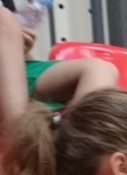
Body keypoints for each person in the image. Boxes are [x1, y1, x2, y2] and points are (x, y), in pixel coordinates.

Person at [0, 2, 117, 132]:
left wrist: (21, 47)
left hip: (18, 71)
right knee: (4, 17)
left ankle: (75, 136)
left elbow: (19, 59)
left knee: (99, 69)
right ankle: (18, 136)